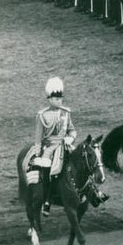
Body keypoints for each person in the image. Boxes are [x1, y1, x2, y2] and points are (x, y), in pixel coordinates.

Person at [34, 77, 77, 216]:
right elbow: (38, 137)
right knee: (48, 171)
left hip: (65, 144)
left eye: (60, 99)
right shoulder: (43, 115)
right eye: (56, 99)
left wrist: (70, 138)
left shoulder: (66, 113)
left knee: (82, 160)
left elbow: (72, 130)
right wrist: (38, 152)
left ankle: (87, 191)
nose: (59, 101)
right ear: (50, 99)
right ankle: (47, 201)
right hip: (50, 147)